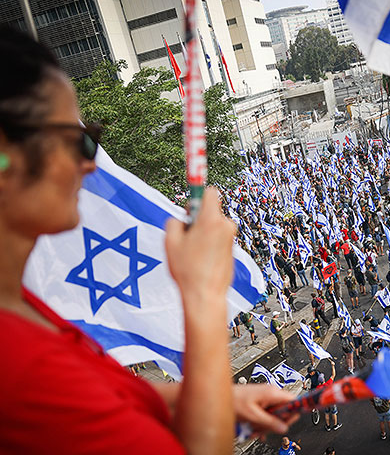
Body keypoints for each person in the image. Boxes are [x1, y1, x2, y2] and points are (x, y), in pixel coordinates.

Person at [0, 27, 294, 453]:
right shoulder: (20, 365)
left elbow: (105, 398)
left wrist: (215, 399)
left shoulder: (25, 307)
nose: (90, 165)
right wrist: (202, 295)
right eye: (78, 140)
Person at [316, 360, 341, 431]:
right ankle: (335, 425)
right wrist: (333, 366)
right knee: (334, 413)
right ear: (323, 379)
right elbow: (333, 375)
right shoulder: (328, 383)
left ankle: (328, 426)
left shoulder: (318, 388)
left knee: (326, 413)